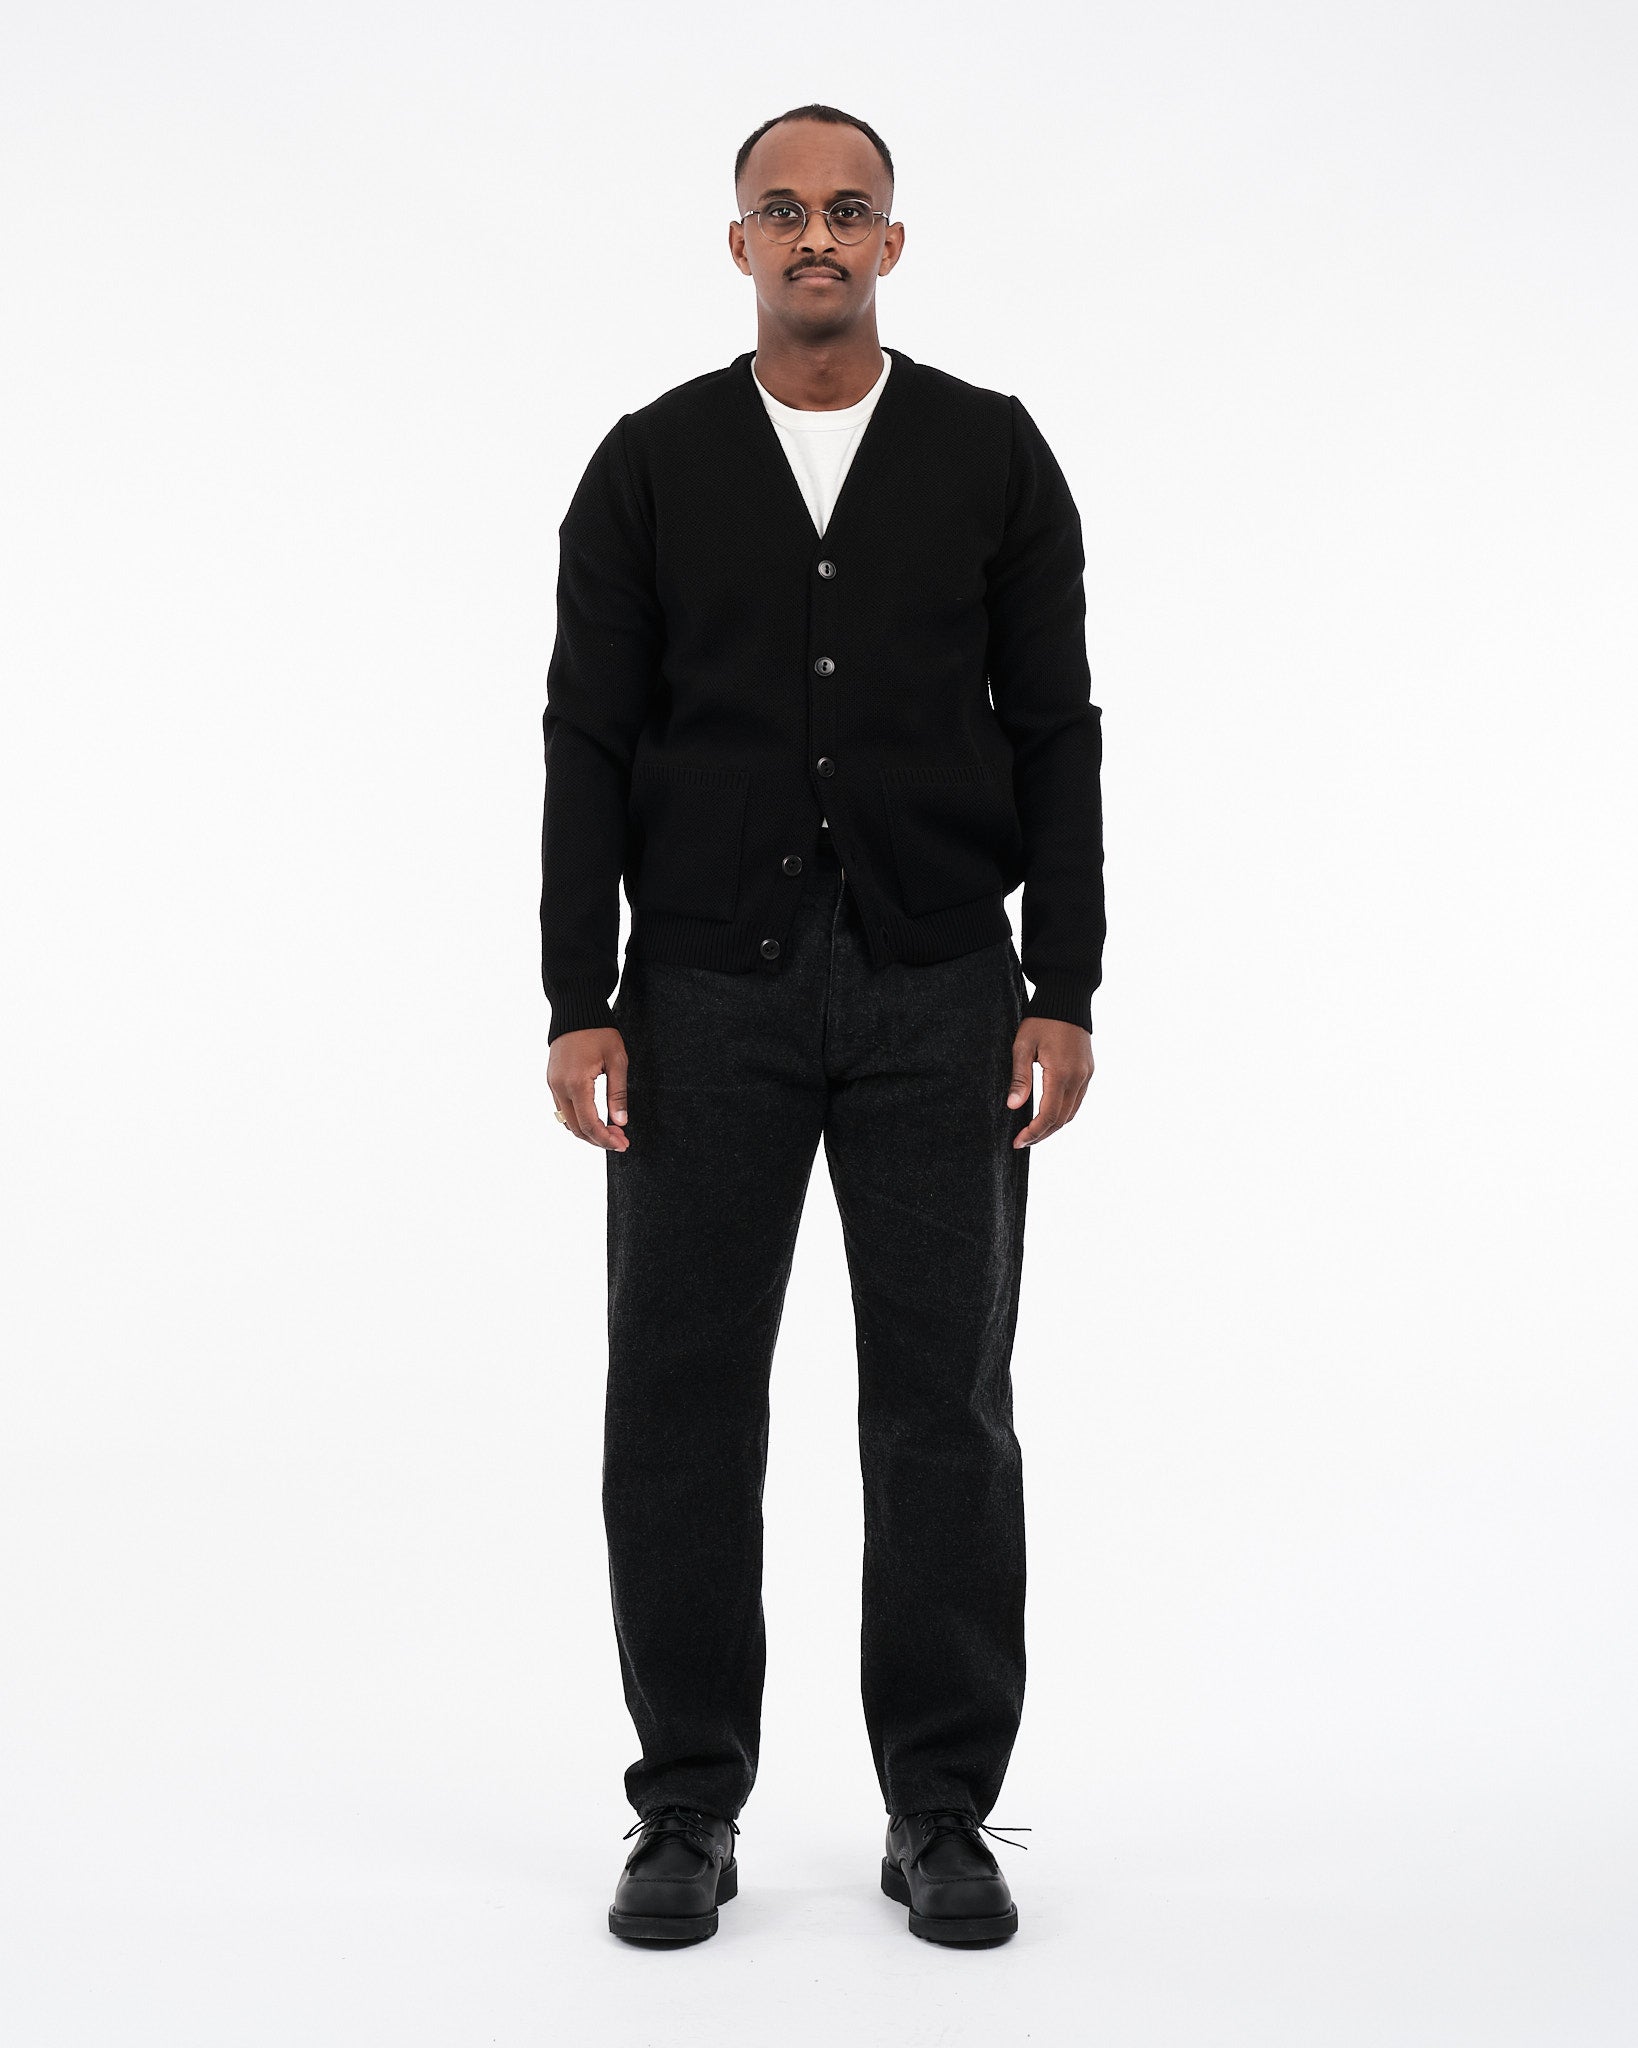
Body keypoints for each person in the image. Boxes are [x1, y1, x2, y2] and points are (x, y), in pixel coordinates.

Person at [540, 102, 1104, 1949]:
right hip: (703, 995)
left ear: (890, 243)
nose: (813, 237)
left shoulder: (990, 452)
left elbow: (1055, 728)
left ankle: (939, 1809)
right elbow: (587, 738)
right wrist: (577, 1000)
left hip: (945, 990)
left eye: (846, 211)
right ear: (736, 243)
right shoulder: (648, 464)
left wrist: (1063, 983)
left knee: (942, 1408)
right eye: (780, 210)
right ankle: (685, 1806)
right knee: (679, 1400)